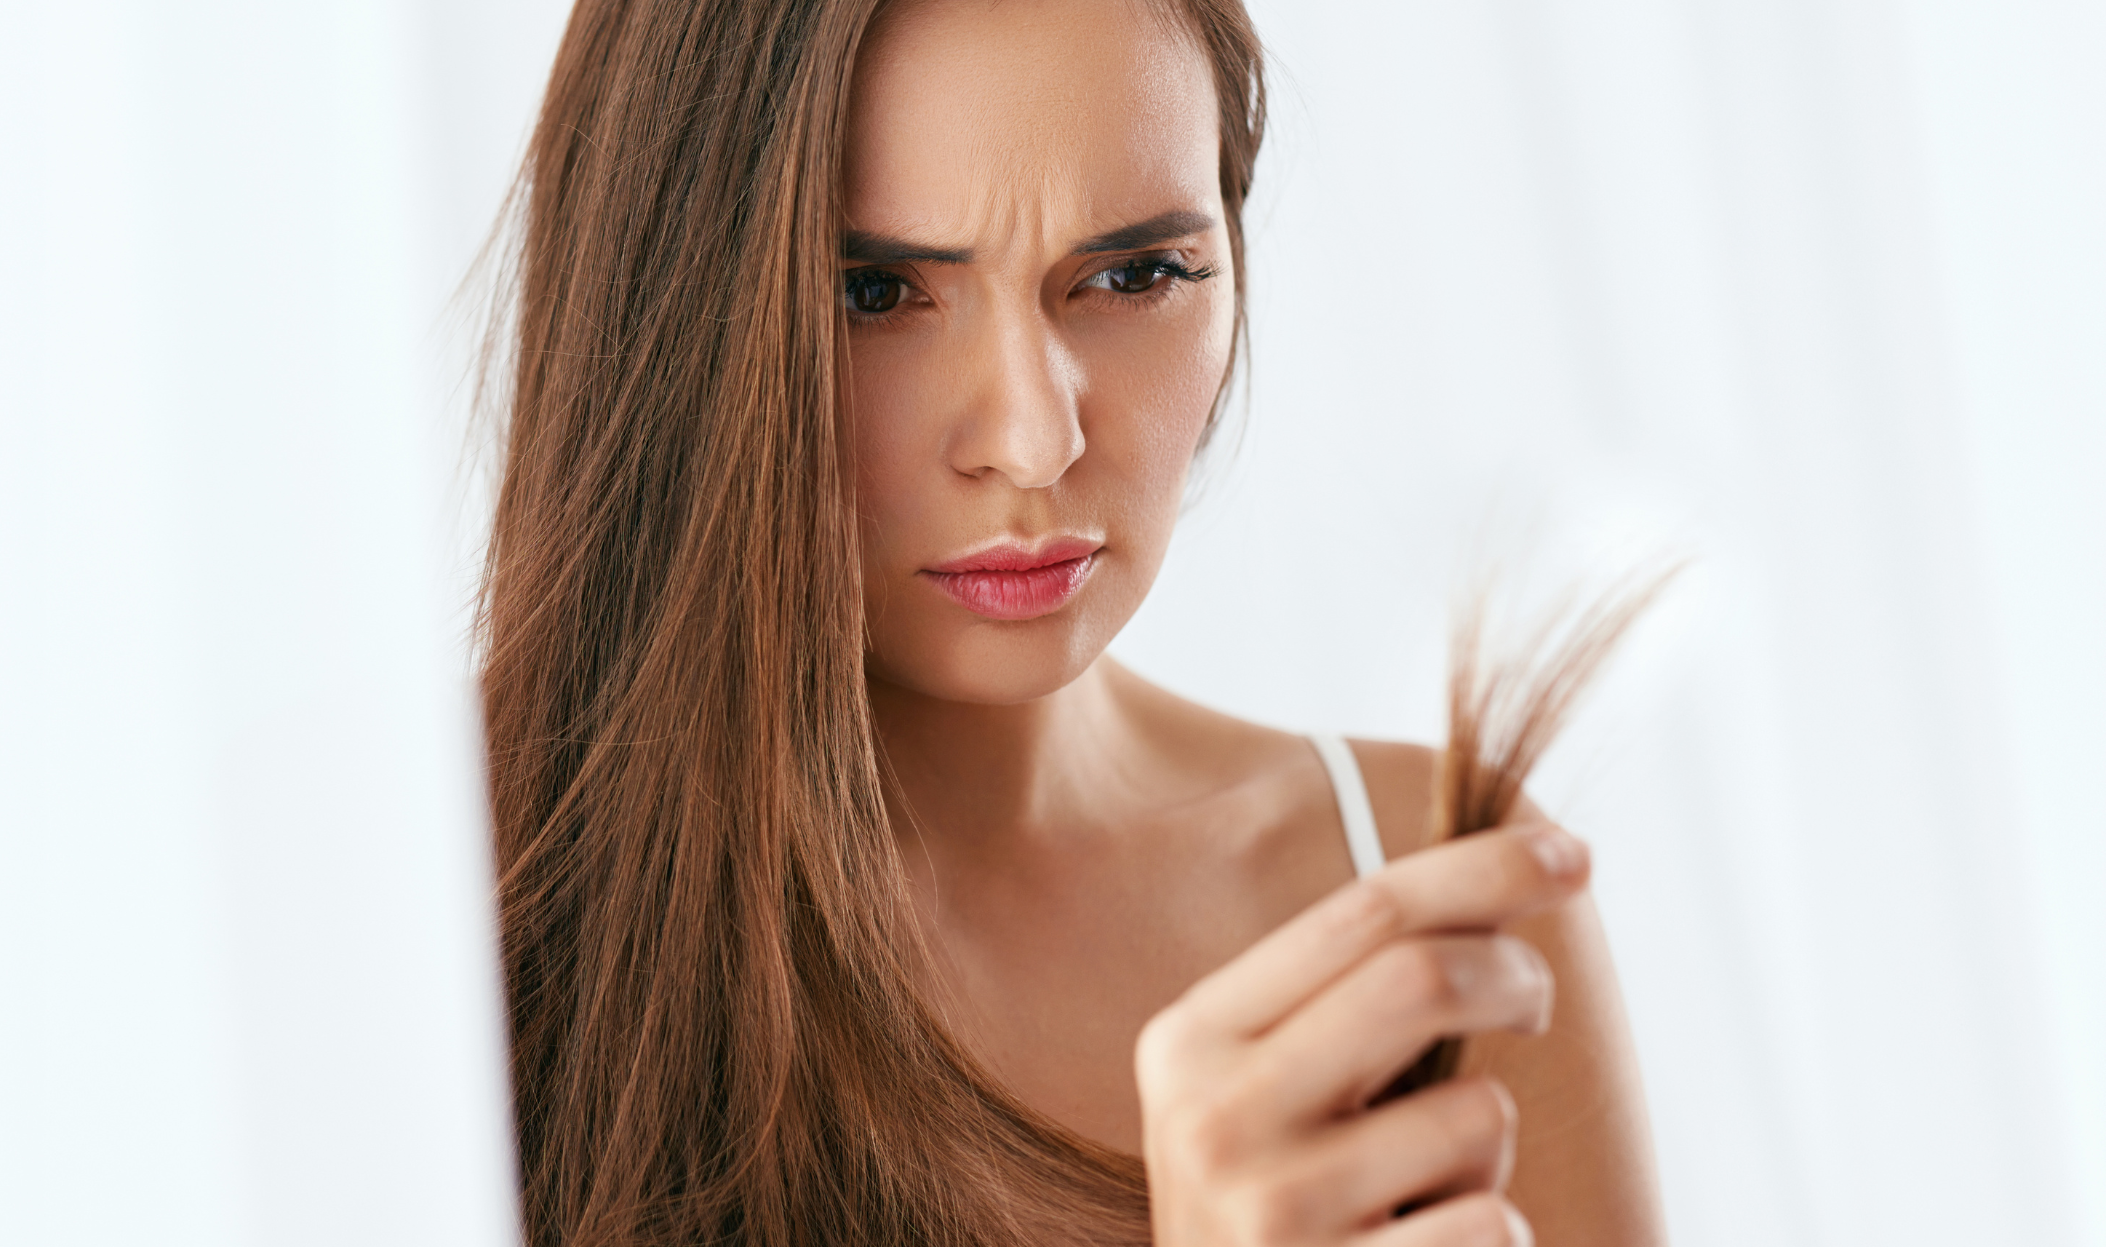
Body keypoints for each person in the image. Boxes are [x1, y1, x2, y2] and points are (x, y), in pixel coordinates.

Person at [476, 0, 1664, 1243]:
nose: (1035, 441)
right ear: (656, 312)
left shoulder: (1437, 898)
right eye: (873, 292)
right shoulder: (428, 895)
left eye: (1134, 276)